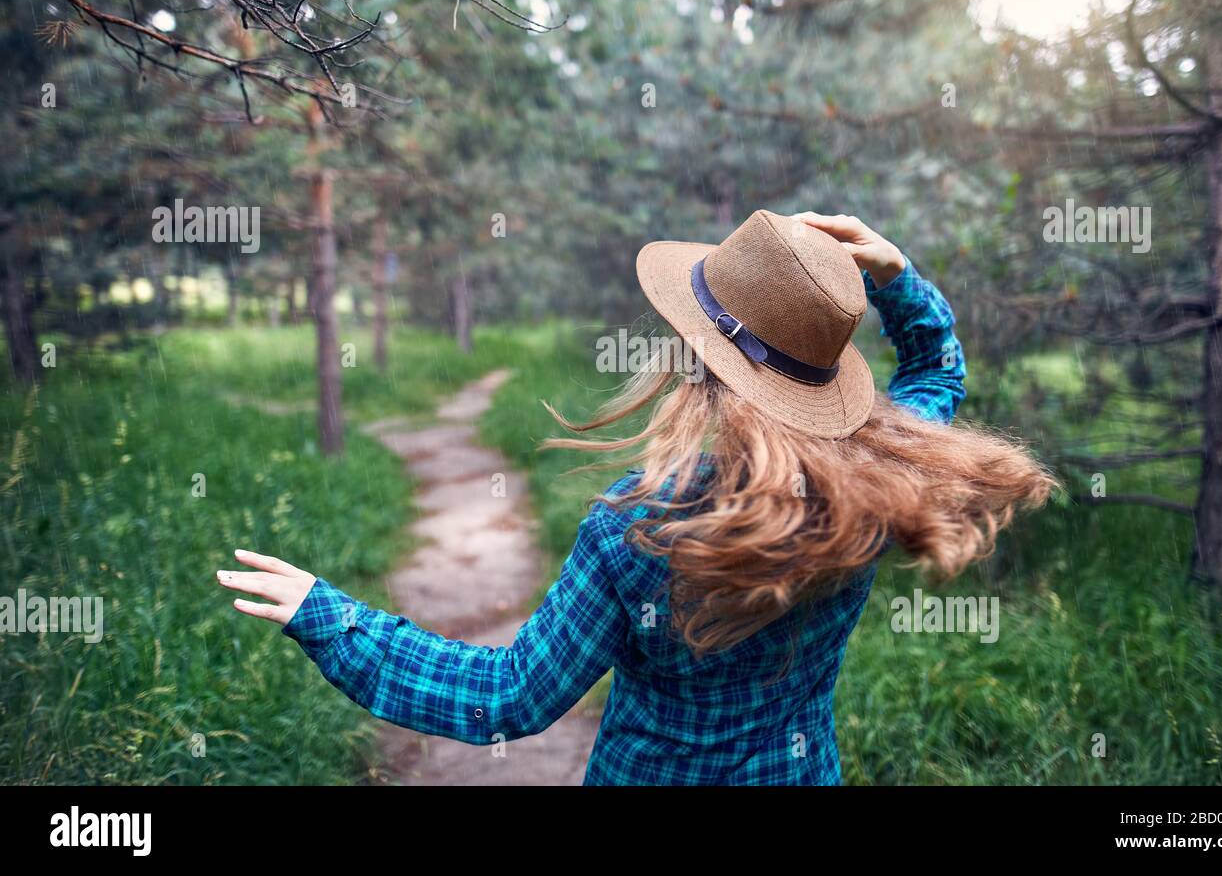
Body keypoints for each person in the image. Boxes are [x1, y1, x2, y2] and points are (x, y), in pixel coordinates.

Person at [217, 209, 1054, 785]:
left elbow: (507, 697)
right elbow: (937, 371)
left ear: (698, 357)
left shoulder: (636, 529)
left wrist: (330, 617)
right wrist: (899, 278)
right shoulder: (878, 484)